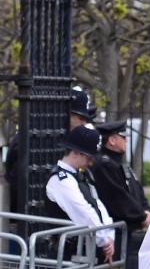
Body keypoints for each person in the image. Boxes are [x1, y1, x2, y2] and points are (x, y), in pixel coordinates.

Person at [90, 120, 150, 269]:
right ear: (112, 140)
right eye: (122, 137)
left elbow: (136, 191)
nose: (126, 141)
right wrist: (140, 215)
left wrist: (146, 210)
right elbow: (116, 197)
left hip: (128, 228)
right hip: (116, 229)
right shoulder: (104, 164)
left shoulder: (119, 164)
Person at [5, 85, 96, 213]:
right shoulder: (34, 137)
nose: (83, 124)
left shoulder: (60, 138)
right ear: (65, 114)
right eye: (80, 118)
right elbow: (21, 184)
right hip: (27, 214)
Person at [44, 125, 115, 265]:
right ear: (75, 152)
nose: (90, 162)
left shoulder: (79, 176)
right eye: (88, 157)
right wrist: (103, 239)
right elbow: (83, 212)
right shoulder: (61, 180)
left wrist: (108, 234)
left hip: (84, 249)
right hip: (68, 255)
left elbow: (97, 204)